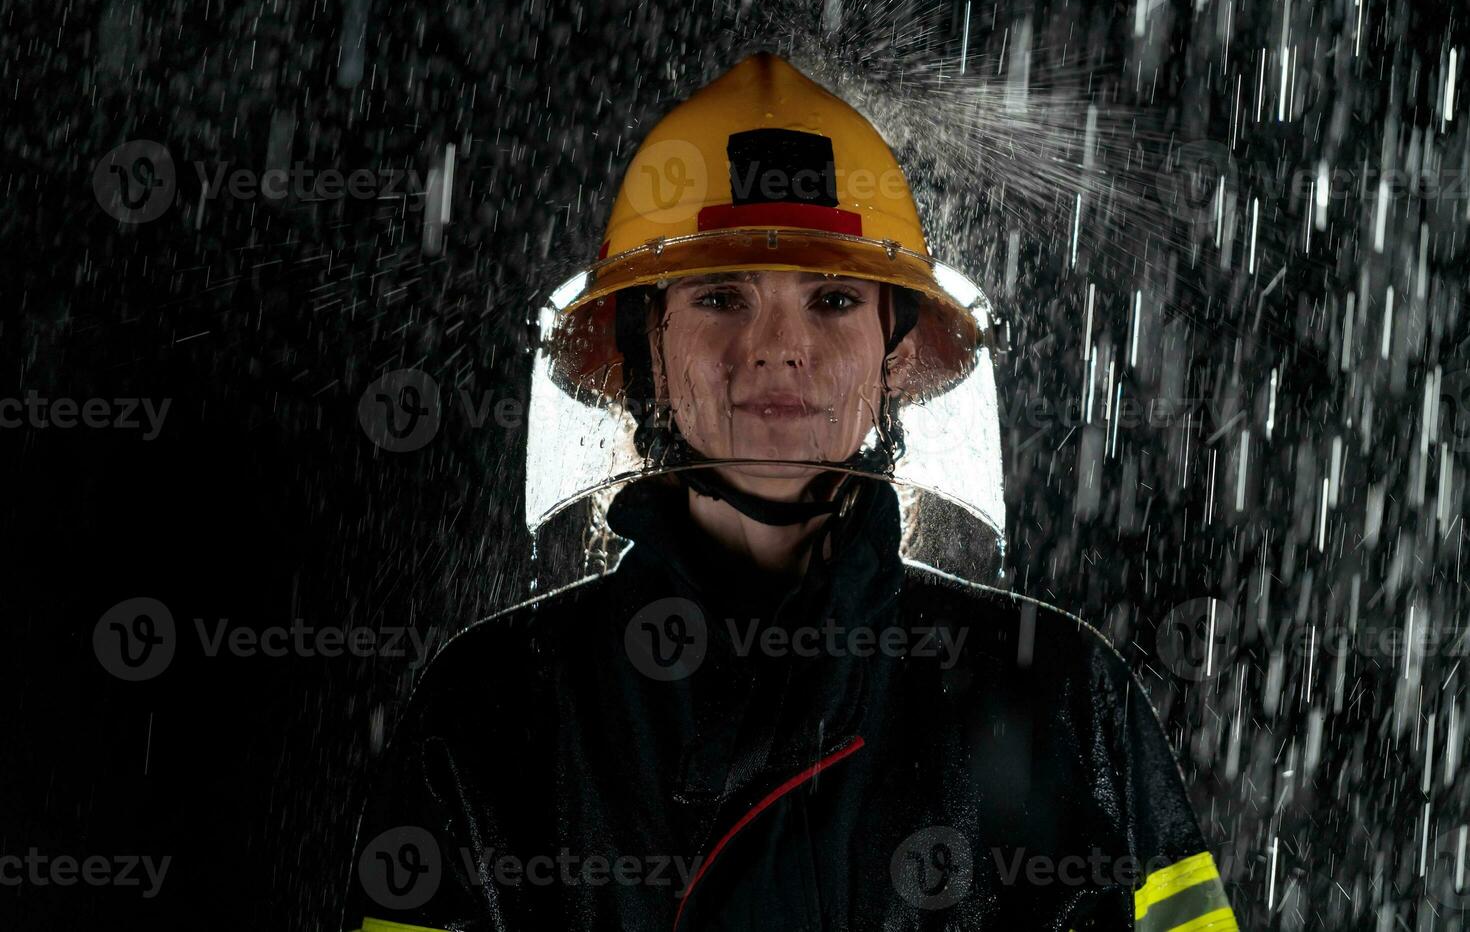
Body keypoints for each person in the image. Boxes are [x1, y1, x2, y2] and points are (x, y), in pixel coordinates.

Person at [341, 53, 1239, 932]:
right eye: (723, 295)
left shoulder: (1057, 694)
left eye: (835, 299)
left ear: (894, 347)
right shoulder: (493, 707)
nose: (776, 347)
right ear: (647, 341)